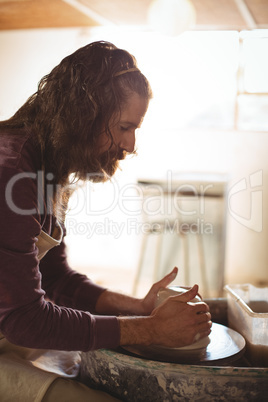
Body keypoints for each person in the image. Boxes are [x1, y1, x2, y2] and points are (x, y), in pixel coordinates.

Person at [0, 41, 212, 401]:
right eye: (125, 127)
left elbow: (54, 279)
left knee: (83, 368)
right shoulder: (11, 171)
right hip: (14, 324)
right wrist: (148, 330)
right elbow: (25, 319)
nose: (130, 145)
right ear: (84, 115)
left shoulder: (49, 164)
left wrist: (139, 308)